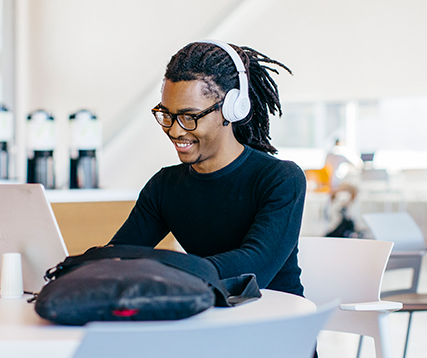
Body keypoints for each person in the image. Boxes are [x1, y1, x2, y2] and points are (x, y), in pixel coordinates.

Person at [108, 40, 307, 297]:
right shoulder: (164, 186)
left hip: (278, 322)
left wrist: (165, 272)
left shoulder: (281, 179)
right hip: (211, 318)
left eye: (189, 117)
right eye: (166, 115)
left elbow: (254, 268)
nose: (174, 130)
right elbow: (121, 253)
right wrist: (88, 268)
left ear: (232, 109)